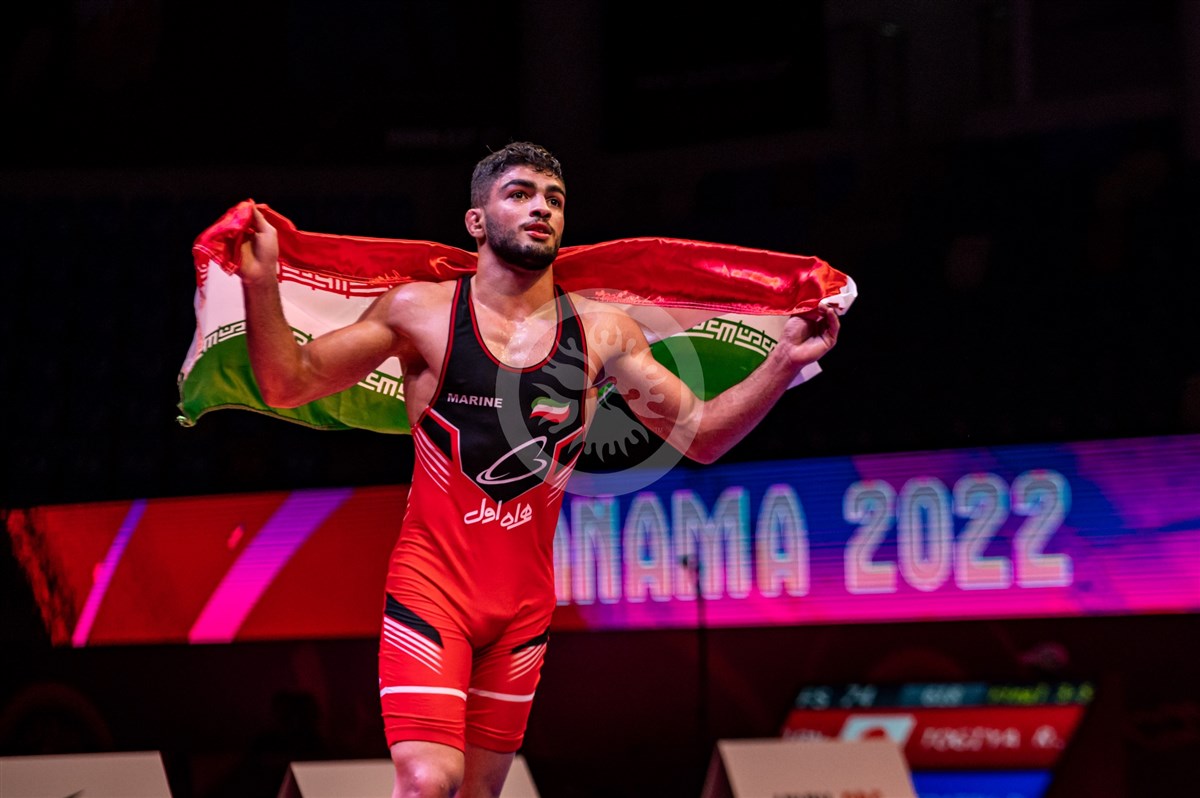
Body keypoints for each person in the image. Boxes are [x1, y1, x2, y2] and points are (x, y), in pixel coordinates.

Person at [235, 141, 840, 798]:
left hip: (523, 611)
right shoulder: (421, 313)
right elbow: (288, 383)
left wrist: (783, 363)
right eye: (519, 194)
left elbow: (702, 437)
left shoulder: (603, 334)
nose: (541, 209)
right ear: (475, 221)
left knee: (479, 794)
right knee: (429, 780)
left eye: (554, 199)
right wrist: (261, 283)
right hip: (431, 590)